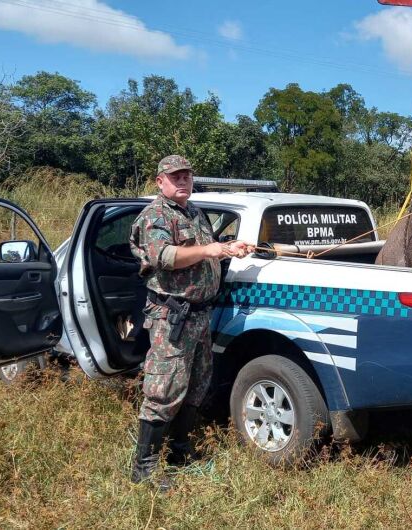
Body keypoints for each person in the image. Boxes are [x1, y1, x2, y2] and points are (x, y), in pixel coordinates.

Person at [129, 155, 253, 487]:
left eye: (186, 176)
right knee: (163, 389)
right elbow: (164, 257)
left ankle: (180, 453)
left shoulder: (195, 213)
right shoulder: (155, 215)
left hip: (200, 314)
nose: (183, 181)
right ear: (160, 181)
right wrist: (211, 251)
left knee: (196, 384)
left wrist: (229, 248)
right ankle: (144, 469)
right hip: (171, 316)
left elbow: (205, 249)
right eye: (175, 177)